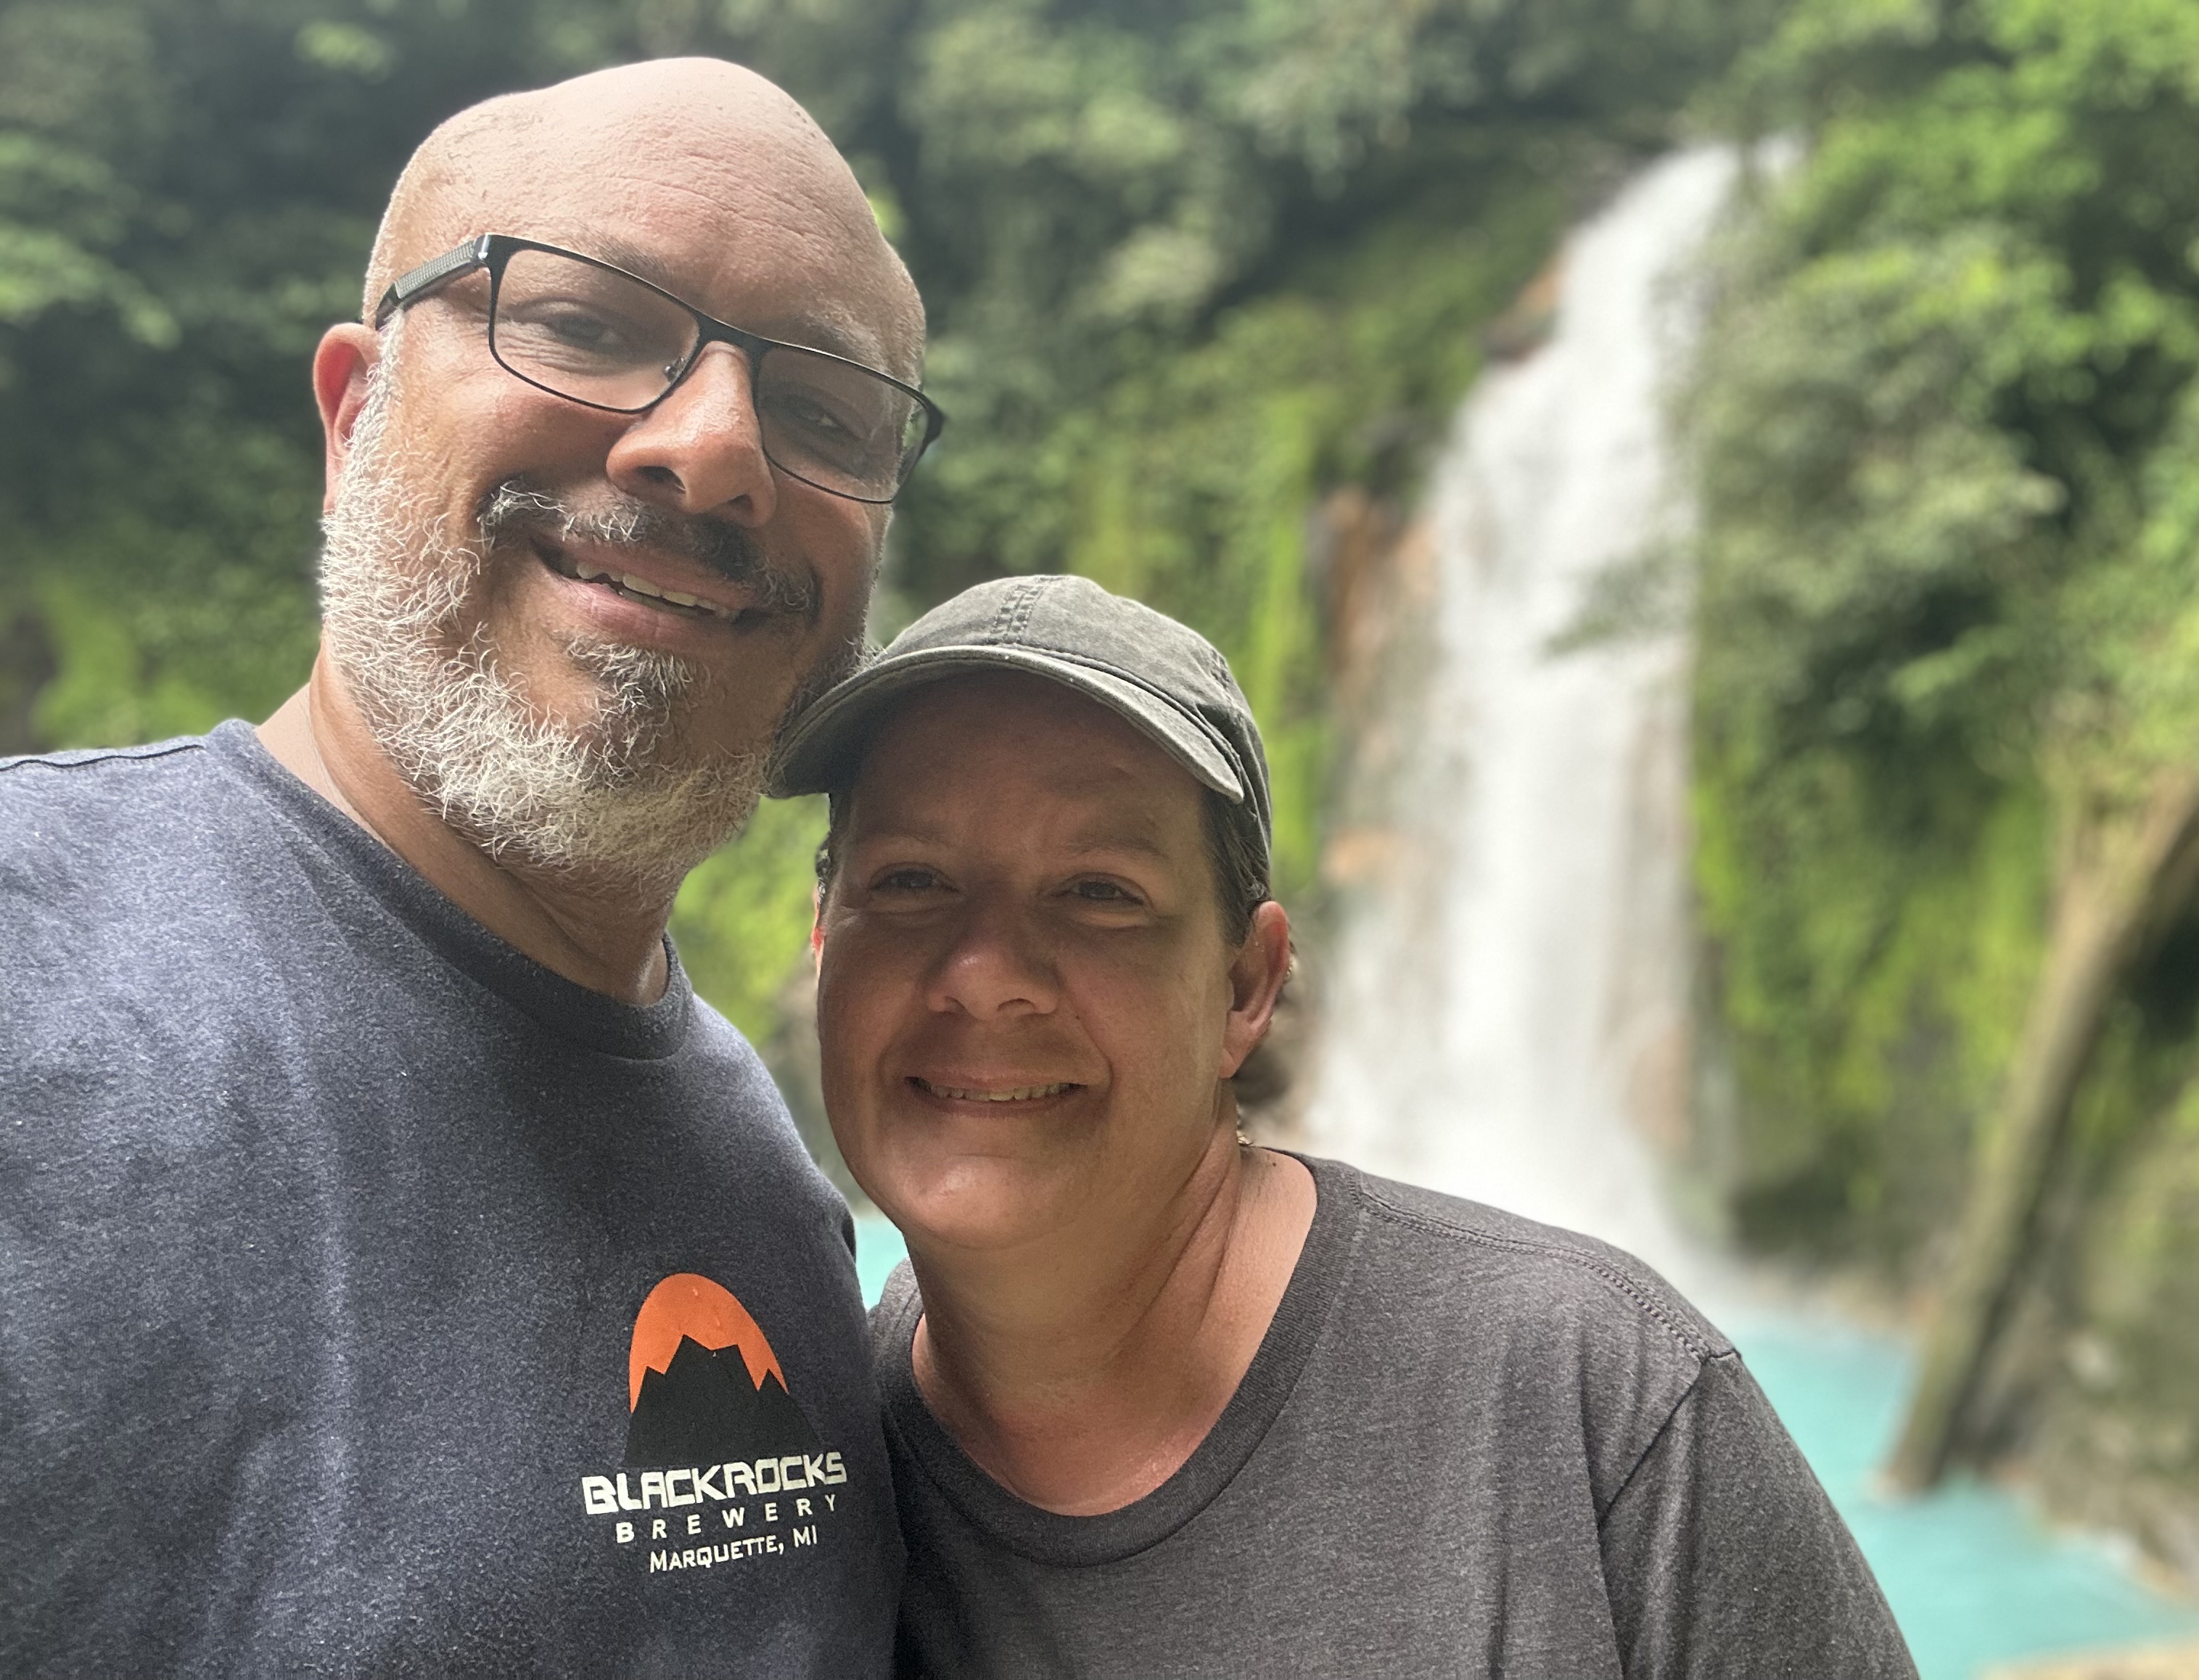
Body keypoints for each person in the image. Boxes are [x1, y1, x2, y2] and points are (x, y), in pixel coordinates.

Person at [0, 59, 935, 1674]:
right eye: (583, 321)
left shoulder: (786, 1191)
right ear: (355, 411)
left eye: (824, 412)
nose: (713, 451)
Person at [773, 573, 1919, 1677]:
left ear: (1245, 988)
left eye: (1099, 892)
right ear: (825, 934)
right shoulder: (779, 1476)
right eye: (913, 881)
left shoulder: (1599, 1407)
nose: (986, 976)